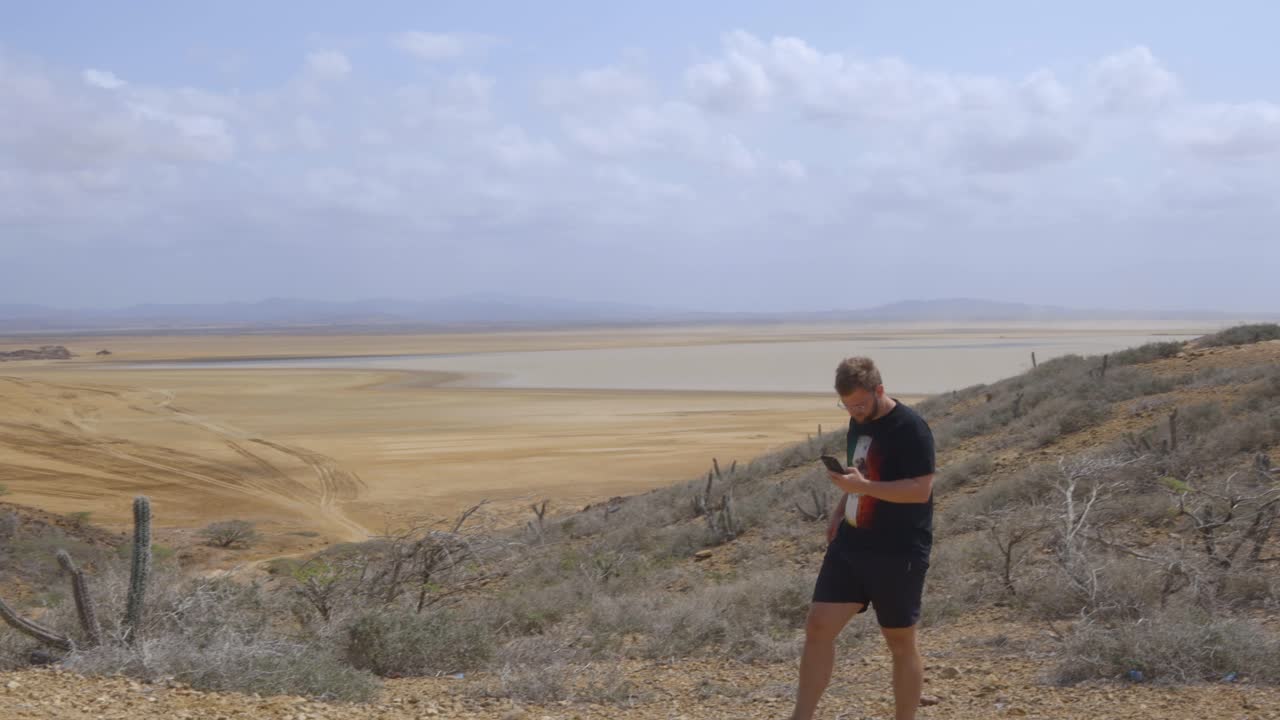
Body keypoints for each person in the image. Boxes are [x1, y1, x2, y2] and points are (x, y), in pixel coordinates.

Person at [789, 356, 936, 720]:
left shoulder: (911, 428)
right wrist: (842, 506)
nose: (853, 412)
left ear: (879, 391)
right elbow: (863, 474)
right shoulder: (859, 423)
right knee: (818, 625)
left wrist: (864, 487)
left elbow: (920, 490)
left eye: (859, 404)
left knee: (900, 642)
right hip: (852, 544)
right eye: (846, 405)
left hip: (897, 550)